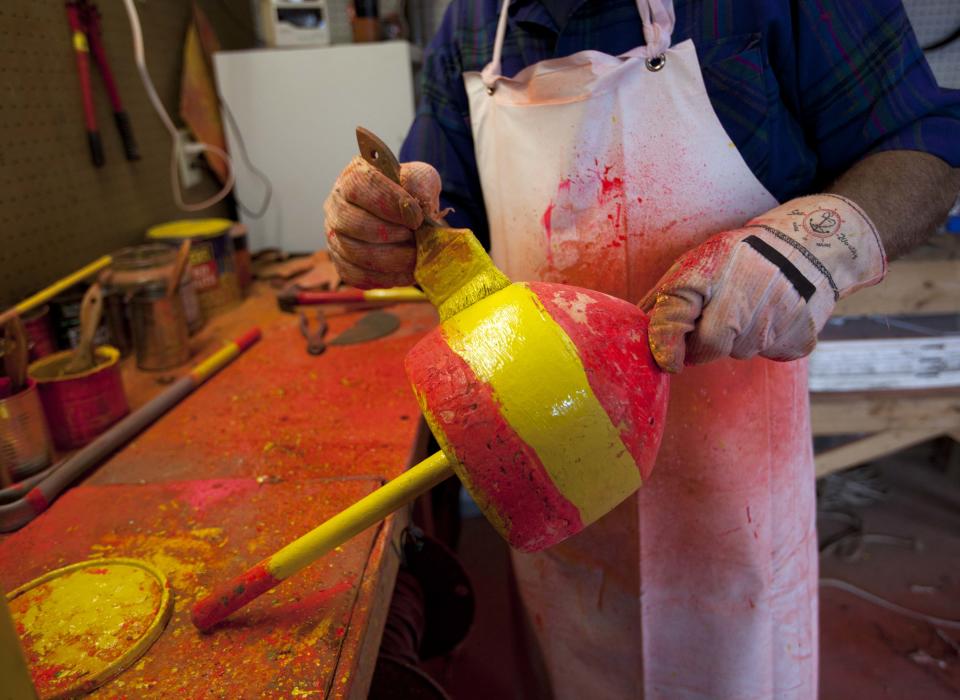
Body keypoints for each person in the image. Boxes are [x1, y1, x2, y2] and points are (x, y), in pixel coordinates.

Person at [323, 1, 960, 697]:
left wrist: (818, 242)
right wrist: (388, 228)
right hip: (545, 476)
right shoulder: (474, 20)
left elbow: (924, 140)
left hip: (729, 486)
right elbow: (449, 217)